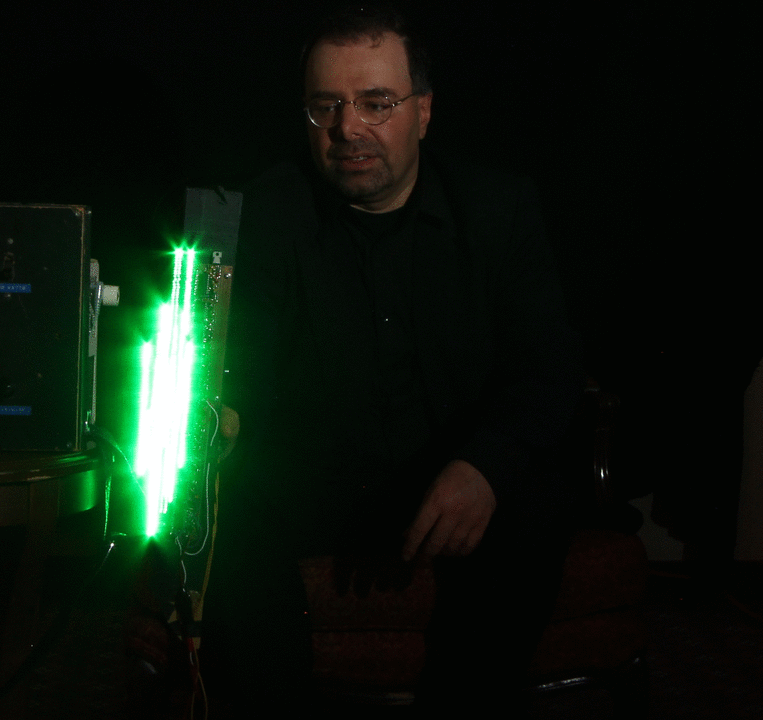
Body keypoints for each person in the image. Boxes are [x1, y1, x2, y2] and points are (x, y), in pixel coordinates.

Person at [205, 5, 584, 714]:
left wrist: (482, 467)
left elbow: (547, 369)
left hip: (450, 471)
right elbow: (238, 374)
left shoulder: (498, 210)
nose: (348, 128)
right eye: (327, 106)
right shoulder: (265, 213)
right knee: (226, 507)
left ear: (423, 112)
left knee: (533, 499)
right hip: (316, 482)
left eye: (376, 103)